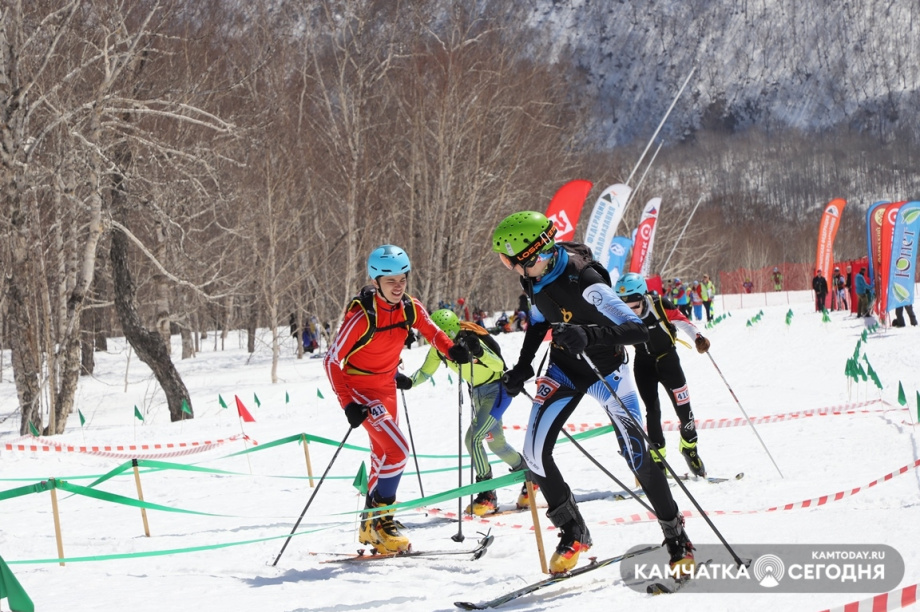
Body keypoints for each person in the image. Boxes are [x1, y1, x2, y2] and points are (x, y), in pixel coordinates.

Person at [492, 211, 695, 575]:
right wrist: (524, 365)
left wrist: (588, 335)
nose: (511, 269)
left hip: (608, 372)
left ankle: (676, 536)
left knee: (636, 454)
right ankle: (574, 532)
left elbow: (637, 331)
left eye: (511, 262)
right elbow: (541, 317)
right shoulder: (535, 274)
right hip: (564, 368)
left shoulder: (585, 281)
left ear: (533, 255)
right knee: (534, 455)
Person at [324, 245, 473, 554]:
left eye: (402, 278)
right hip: (361, 391)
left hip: (386, 387)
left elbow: (432, 331)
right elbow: (330, 361)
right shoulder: (362, 316)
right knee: (398, 450)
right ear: (376, 281)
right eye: (390, 279)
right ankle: (381, 520)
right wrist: (348, 403)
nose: (398, 285)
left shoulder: (409, 307)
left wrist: (451, 349)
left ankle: (372, 526)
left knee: (382, 458)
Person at [402, 309, 529, 515]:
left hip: (496, 390)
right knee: (496, 443)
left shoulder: (471, 339)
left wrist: (478, 352)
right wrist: (408, 382)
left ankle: (487, 494)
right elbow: (426, 371)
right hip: (477, 394)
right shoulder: (438, 348)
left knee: (473, 438)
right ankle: (530, 478)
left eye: (443, 335)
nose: (441, 341)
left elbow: (498, 364)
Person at [614, 272, 710, 477]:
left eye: (634, 306)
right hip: (643, 365)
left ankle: (689, 447)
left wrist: (698, 338)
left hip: (669, 362)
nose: (630, 312)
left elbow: (683, 321)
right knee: (652, 411)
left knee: (684, 411)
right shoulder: (620, 312)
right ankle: (658, 458)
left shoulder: (659, 305)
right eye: (625, 307)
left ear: (643, 296)